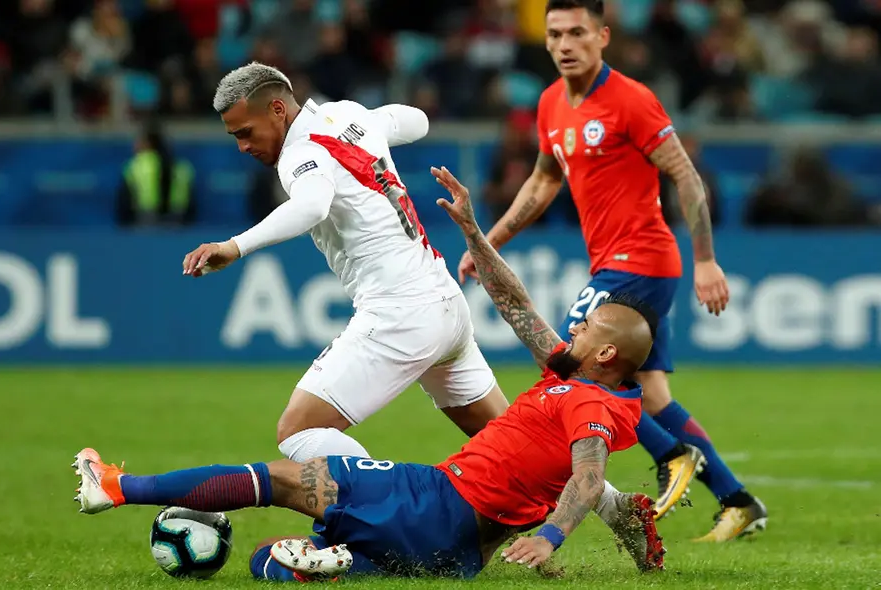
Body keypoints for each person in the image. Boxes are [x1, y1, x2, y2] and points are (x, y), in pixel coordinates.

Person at [73, 167, 665, 581]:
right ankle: (340, 562)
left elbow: (588, 479)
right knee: (265, 561)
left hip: (435, 502)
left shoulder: (591, 407)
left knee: (281, 478)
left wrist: (550, 537)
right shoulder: (574, 374)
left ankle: (119, 488)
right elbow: (515, 304)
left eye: (587, 328)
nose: (575, 328)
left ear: (606, 356)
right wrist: (472, 233)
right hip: (457, 557)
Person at [455, 0, 766, 541]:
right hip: (616, 261)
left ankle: (672, 456)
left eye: (577, 32)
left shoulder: (631, 99)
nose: (565, 44)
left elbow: (686, 178)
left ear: (602, 36)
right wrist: (490, 242)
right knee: (654, 397)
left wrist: (707, 259)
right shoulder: (552, 102)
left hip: (641, 259)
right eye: (555, 34)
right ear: (546, 40)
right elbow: (543, 181)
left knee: (571, 365)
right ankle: (739, 501)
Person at [180, 61, 513, 465]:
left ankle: (394, 508)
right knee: (515, 442)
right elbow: (418, 121)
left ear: (278, 110)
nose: (243, 147)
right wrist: (371, 126)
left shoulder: (299, 155)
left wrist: (235, 246)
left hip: (399, 314)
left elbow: (311, 206)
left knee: (297, 432)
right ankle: (611, 505)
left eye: (246, 133)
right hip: (444, 303)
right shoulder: (348, 115)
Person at [116, 121, 197, 227]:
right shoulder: (182, 167)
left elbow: (124, 201)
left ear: (147, 143)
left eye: (138, 141)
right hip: (177, 222)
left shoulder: (135, 166)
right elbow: (191, 202)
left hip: (143, 220)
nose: (135, 144)